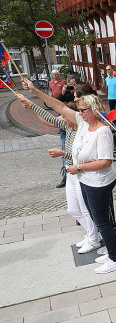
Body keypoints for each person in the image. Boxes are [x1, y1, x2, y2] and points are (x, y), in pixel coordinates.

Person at [23, 78, 116, 273]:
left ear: (92, 110)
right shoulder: (83, 122)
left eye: (82, 110)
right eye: (78, 110)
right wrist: (35, 92)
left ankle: (115, 258)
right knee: (96, 217)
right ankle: (112, 251)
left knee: (102, 221)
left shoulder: (102, 131)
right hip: (87, 179)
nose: (79, 113)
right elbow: (59, 106)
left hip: (99, 181)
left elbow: (106, 161)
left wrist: (78, 167)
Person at [15, 90, 99, 253]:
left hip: (80, 172)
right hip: (70, 171)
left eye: (64, 117)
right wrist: (31, 106)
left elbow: (80, 157)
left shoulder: (82, 130)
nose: (61, 120)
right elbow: (50, 119)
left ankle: (94, 238)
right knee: (73, 209)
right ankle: (91, 234)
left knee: (84, 209)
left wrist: (62, 154)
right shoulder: (68, 127)